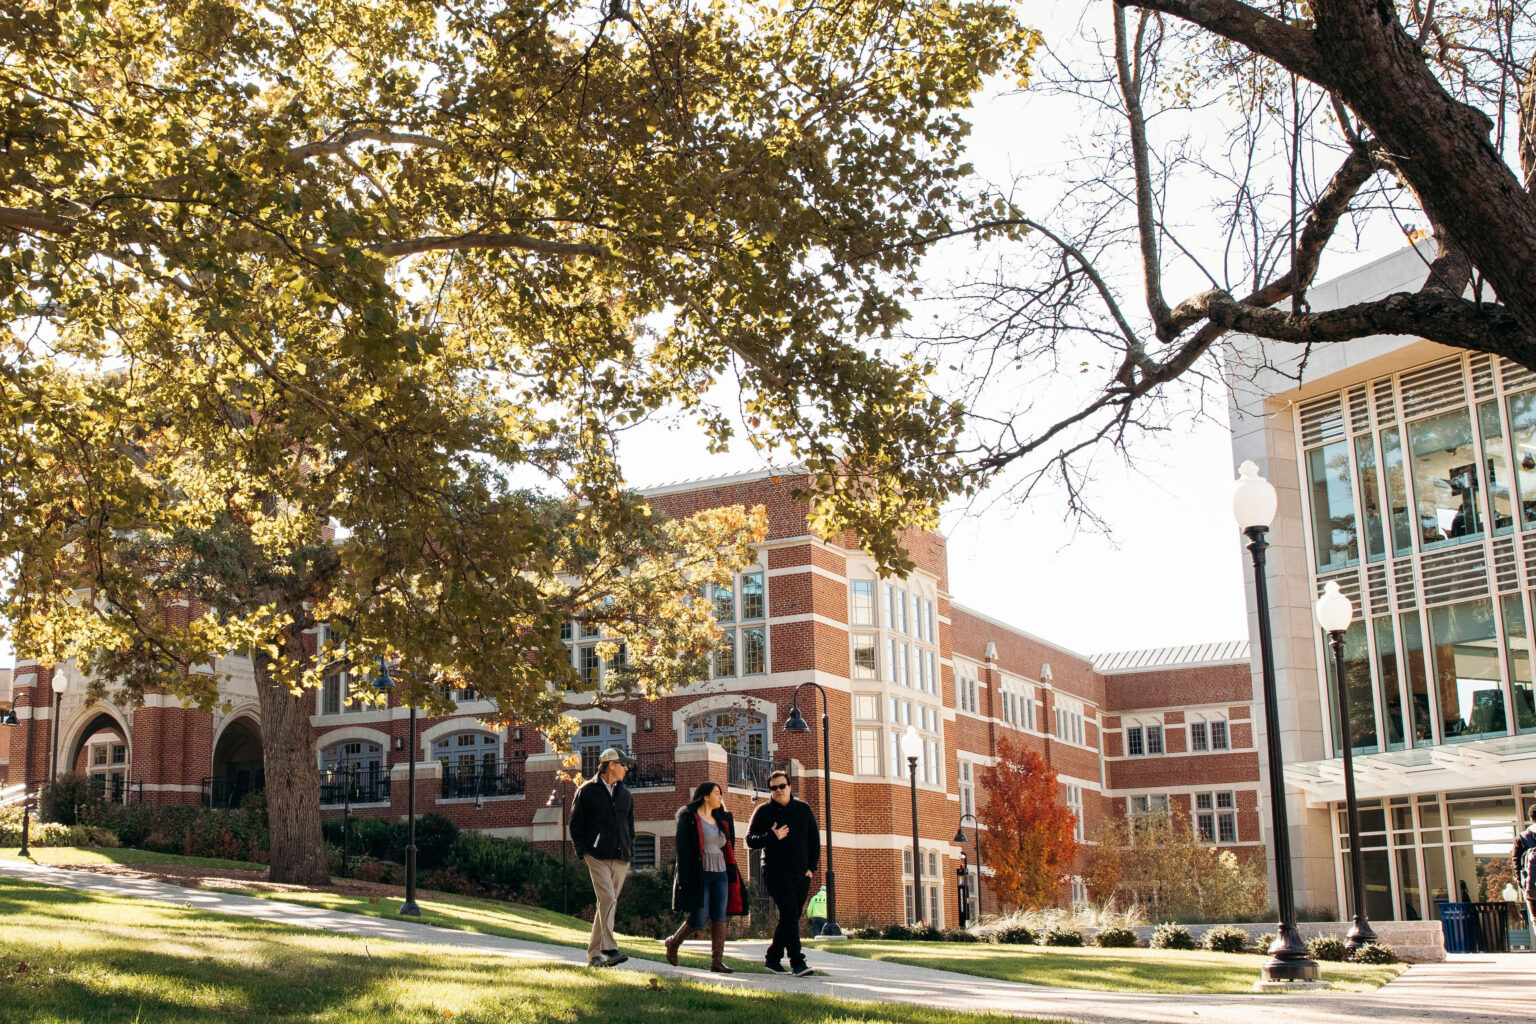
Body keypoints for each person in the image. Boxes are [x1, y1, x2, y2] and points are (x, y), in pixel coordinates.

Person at [664, 781, 746, 972]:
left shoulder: (722, 819)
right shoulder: (689, 818)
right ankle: (674, 943)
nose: (720, 797)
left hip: (721, 874)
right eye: (716, 793)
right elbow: (683, 851)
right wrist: (684, 879)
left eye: (720, 793)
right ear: (706, 796)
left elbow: (728, 846)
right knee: (699, 918)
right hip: (700, 874)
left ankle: (717, 961)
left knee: (720, 916)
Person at [746, 769, 819, 976]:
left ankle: (772, 958)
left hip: (801, 874)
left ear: (790, 787)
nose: (778, 790)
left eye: (782, 786)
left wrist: (811, 869)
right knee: (789, 913)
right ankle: (798, 962)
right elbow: (750, 840)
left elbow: (814, 840)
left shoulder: (803, 809)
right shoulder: (763, 811)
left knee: (791, 916)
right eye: (774, 788)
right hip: (775, 871)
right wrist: (772, 836)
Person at [568, 748, 635, 968]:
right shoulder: (586, 791)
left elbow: (630, 827)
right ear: (611, 765)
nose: (626, 769)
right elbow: (576, 824)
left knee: (606, 903)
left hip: (621, 856)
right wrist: (583, 851)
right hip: (596, 855)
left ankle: (593, 956)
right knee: (608, 899)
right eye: (623, 764)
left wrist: (628, 848)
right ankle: (609, 949)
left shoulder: (626, 794)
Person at [1512, 804, 1536, 929]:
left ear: (1531, 819)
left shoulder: (1521, 838)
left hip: (1531, 887)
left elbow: (1516, 861)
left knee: (1535, 919)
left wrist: (1522, 884)